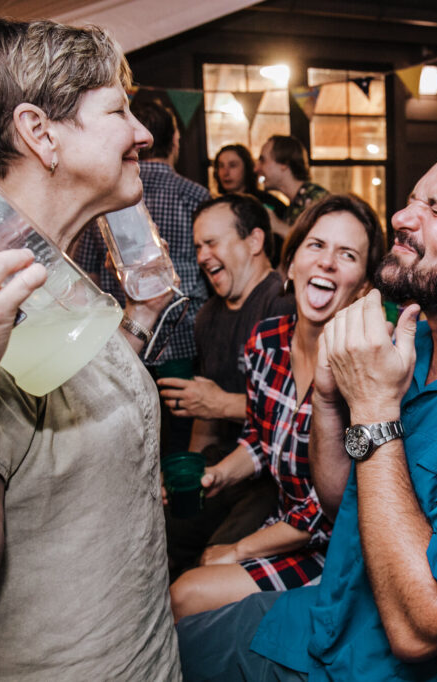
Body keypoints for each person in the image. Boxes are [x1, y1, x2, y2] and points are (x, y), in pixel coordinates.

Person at [175, 139, 437, 680]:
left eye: (436, 208)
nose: (403, 217)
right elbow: (339, 503)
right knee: (160, 648)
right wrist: (333, 397)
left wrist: (377, 409)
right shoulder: (410, 344)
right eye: (411, 200)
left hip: (395, 667)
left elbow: (420, 628)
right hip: (329, 621)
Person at [0, 17, 179, 679]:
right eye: (119, 110)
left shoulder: (55, 279)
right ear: (40, 132)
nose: (143, 132)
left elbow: (61, 415)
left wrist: (139, 320)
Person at [169, 193, 385, 622]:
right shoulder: (267, 340)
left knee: (186, 596)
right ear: (292, 261)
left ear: (362, 285)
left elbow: (329, 511)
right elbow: (258, 439)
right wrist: (217, 474)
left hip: (335, 548)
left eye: (347, 254)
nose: (326, 262)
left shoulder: (362, 369)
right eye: (316, 245)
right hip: (281, 524)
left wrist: (239, 550)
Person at [157, 193, 295, 578]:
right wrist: (188, 474)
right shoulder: (207, 316)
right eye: (198, 246)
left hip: (273, 475)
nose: (202, 256)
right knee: (164, 531)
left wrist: (221, 404)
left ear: (253, 241)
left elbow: (301, 414)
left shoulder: (285, 304)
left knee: (213, 559)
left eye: (212, 243)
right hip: (225, 461)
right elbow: (206, 413)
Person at [74, 99, 210, 453]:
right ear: (175, 141)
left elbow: (85, 274)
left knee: (127, 439)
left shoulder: (104, 198)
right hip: (182, 339)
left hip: (120, 340)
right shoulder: (197, 196)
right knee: (182, 441)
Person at [213, 143, 287, 265]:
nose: (225, 172)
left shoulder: (269, 202)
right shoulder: (214, 207)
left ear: (246, 168)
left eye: (233, 165)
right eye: (221, 166)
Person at [256, 135, 328, 227]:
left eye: (263, 161)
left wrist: (278, 225)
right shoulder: (291, 208)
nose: (256, 168)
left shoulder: (316, 197)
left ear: (284, 164)